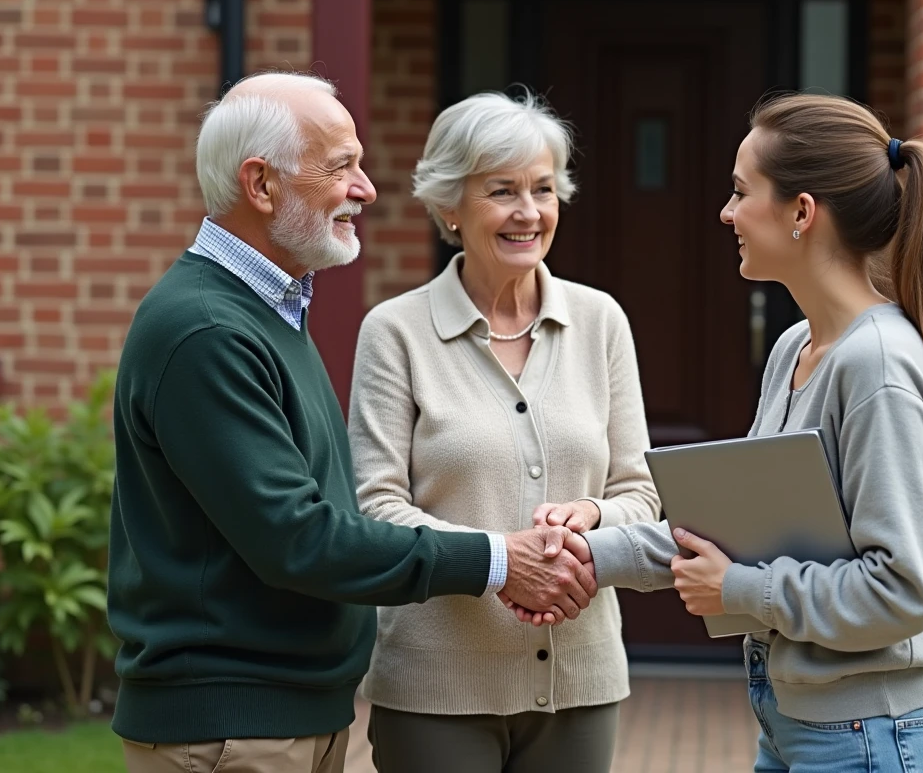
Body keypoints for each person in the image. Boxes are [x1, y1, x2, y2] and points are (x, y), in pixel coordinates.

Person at [106, 71, 597, 773]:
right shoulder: (207, 331)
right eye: (342, 168)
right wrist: (497, 561)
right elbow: (298, 538)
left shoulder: (267, 313)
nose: (365, 189)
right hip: (231, 730)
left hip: (280, 719)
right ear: (262, 184)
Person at [518, 93, 923, 773]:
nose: (727, 212)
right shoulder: (797, 348)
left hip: (868, 733)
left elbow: (902, 591)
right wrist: (590, 556)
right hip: (795, 720)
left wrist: (739, 589)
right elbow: (737, 531)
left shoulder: (876, 367)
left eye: (741, 192)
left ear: (801, 213)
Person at [346, 90, 661, 773]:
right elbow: (376, 509)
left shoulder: (601, 322)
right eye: (502, 191)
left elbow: (640, 492)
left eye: (543, 189)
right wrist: (502, 561)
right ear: (448, 206)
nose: (529, 212)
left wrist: (589, 521)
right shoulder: (395, 333)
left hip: (580, 680)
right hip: (436, 687)